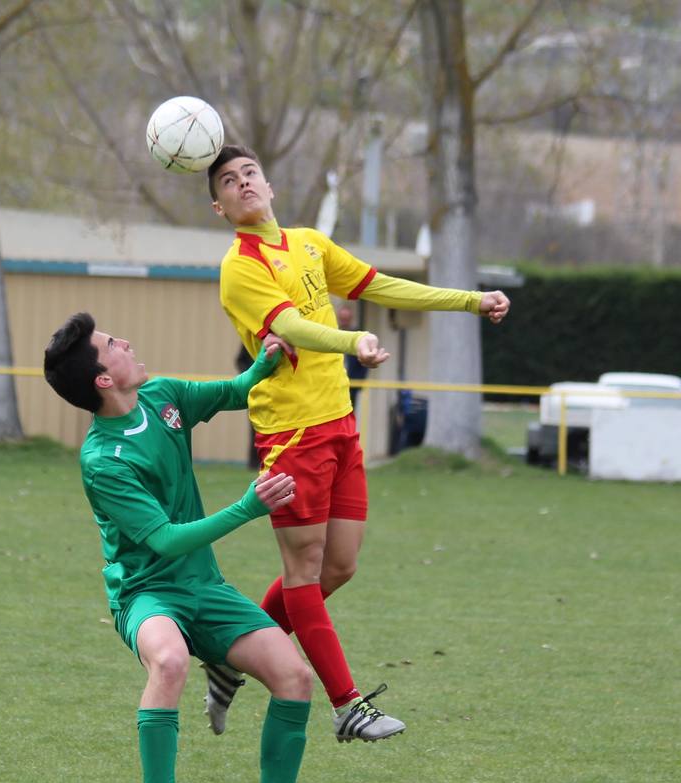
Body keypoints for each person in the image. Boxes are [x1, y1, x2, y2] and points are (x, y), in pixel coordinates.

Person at [201, 144, 510, 742]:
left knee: (338, 566)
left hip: (340, 426)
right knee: (303, 569)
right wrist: (352, 341)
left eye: (250, 173)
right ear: (220, 207)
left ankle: (229, 655)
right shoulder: (239, 265)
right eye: (229, 182)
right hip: (292, 433)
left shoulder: (309, 243)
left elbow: (381, 285)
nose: (243, 184)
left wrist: (469, 301)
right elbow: (290, 326)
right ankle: (347, 706)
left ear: (269, 184)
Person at [43, 311, 329, 783]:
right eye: (113, 344)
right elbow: (167, 541)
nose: (126, 341)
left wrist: (267, 359)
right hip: (145, 592)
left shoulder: (164, 396)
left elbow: (237, 391)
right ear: (103, 379)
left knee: (294, 678)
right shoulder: (103, 461)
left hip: (206, 587)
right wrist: (248, 508)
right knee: (170, 660)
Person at [334, 302, 369, 408]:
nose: (344, 322)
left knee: (350, 410)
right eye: (342, 319)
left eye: (346, 319)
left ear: (351, 319)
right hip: (333, 383)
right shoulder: (333, 334)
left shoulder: (357, 336)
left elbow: (364, 362)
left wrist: (359, 382)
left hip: (351, 384)